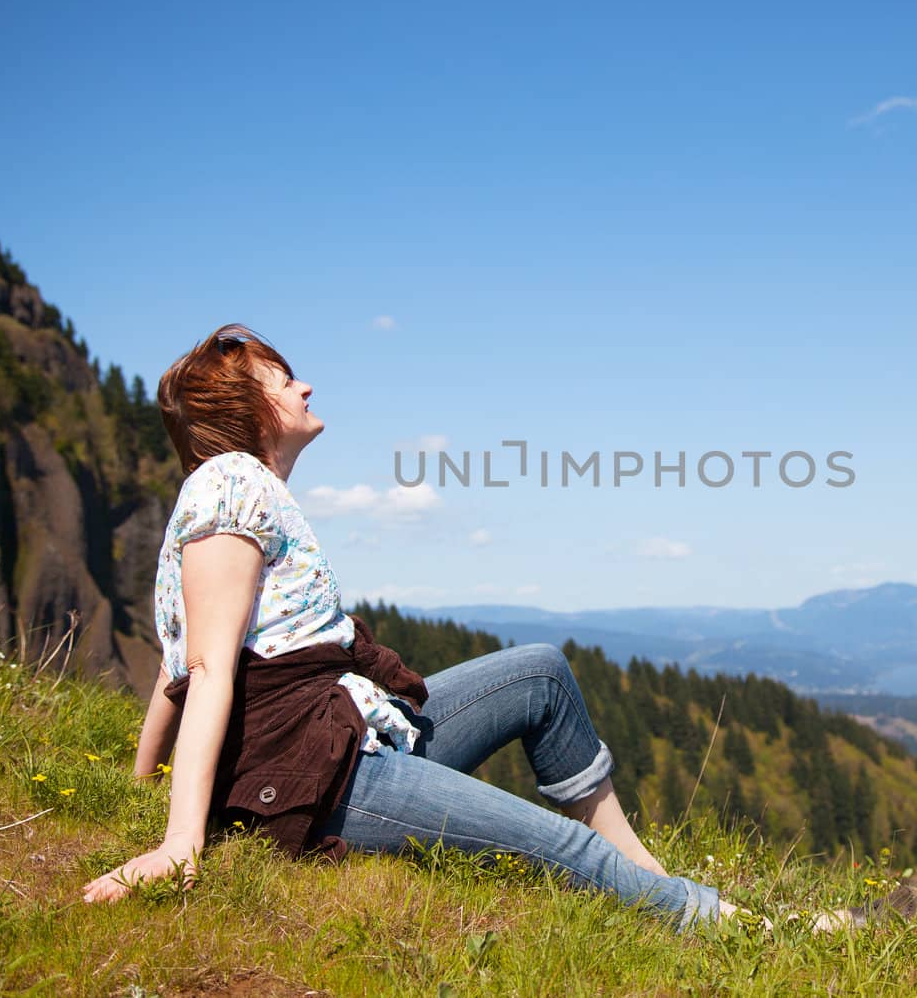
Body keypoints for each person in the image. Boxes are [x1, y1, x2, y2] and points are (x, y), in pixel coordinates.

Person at [80, 324, 730, 931]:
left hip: (346, 736)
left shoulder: (226, 492)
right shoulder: (228, 482)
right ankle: (718, 921)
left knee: (541, 672)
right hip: (317, 779)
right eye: (281, 380)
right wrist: (178, 841)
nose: (302, 386)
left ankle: (645, 869)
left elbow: (173, 671)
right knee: (560, 844)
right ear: (244, 408)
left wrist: (138, 789)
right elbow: (208, 670)